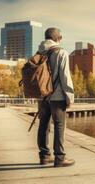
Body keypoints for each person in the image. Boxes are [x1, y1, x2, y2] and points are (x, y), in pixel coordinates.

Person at [37, 27, 75, 167]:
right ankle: (60, 158)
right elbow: (65, 76)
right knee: (59, 126)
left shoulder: (39, 52)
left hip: (42, 96)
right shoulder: (61, 52)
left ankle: (44, 156)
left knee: (43, 125)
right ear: (58, 38)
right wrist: (69, 96)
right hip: (57, 96)